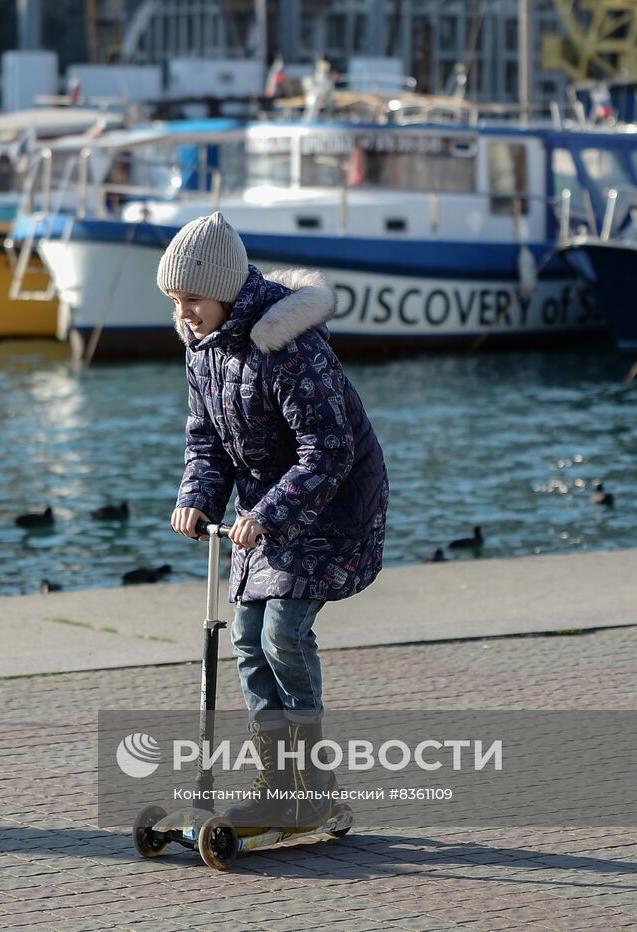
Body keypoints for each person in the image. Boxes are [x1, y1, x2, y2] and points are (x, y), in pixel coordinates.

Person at [164, 211, 389, 832]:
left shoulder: (288, 343)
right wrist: (197, 497)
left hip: (331, 505)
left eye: (192, 298)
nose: (184, 313)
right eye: (175, 301)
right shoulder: (202, 350)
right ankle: (277, 785)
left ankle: (311, 785)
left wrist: (269, 513)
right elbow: (206, 439)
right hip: (264, 513)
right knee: (244, 637)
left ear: (226, 287)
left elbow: (331, 449)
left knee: (282, 634)